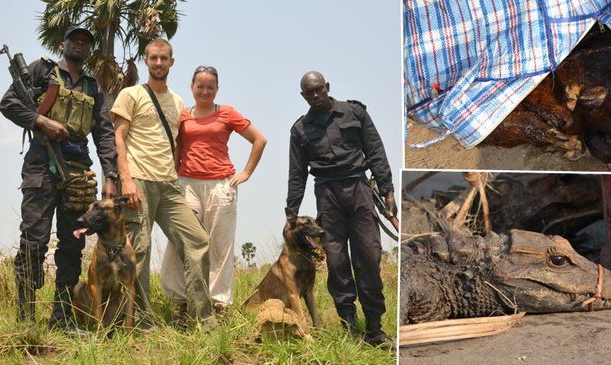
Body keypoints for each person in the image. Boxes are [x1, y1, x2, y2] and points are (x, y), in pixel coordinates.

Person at [0, 26, 118, 335]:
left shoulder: (93, 88)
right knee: (33, 242)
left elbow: (105, 135)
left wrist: (111, 177)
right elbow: (8, 103)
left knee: (72, 245)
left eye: (85, 42)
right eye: (74, 40)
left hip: (77, 171)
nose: (79, 45)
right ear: (63, 44)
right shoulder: (41, 70)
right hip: (41, 164)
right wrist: (41, 120)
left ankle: (61, 319)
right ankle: (26, 321)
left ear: (88, 50)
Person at [286, 71, 397, 349]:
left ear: (327, 87)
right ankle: (349, 327)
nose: (315, 96)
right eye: (309, 93)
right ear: (303, 96)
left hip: (359, 189)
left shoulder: (354, 112)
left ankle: (374, 329)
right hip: (327, 193)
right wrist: (291, 212)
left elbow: (375, 151)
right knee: (336, 262)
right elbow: (297, 174)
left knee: (369, 257)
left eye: (319, 90)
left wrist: (388, 189)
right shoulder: (300, 130)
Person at [109, 38, 216, 328]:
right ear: (146, 60)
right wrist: (126, 180)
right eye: (153, 57)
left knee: (197, 240)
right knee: (139, 251)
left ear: (172, 62)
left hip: (168, 184)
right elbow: (118, 138)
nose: (158, 63)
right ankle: (141, 322)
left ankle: (203, 319)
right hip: (138, 182)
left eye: (164, 58)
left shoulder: (179, 101)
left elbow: (175, 144)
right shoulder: (130, 95)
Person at [160, 65, 266, 314]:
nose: (205, 91)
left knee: (220, 245)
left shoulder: (227, 113)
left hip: (221, 185)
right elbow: (176, 148)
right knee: (183, 242)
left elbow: (259, 139)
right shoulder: (182, 115)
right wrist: (173, 177)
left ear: (217, 89)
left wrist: (246, 173)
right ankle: (182, 301)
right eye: (200, 86)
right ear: (192, 87)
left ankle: (218, 302)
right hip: (187, 185)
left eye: (210, 87)